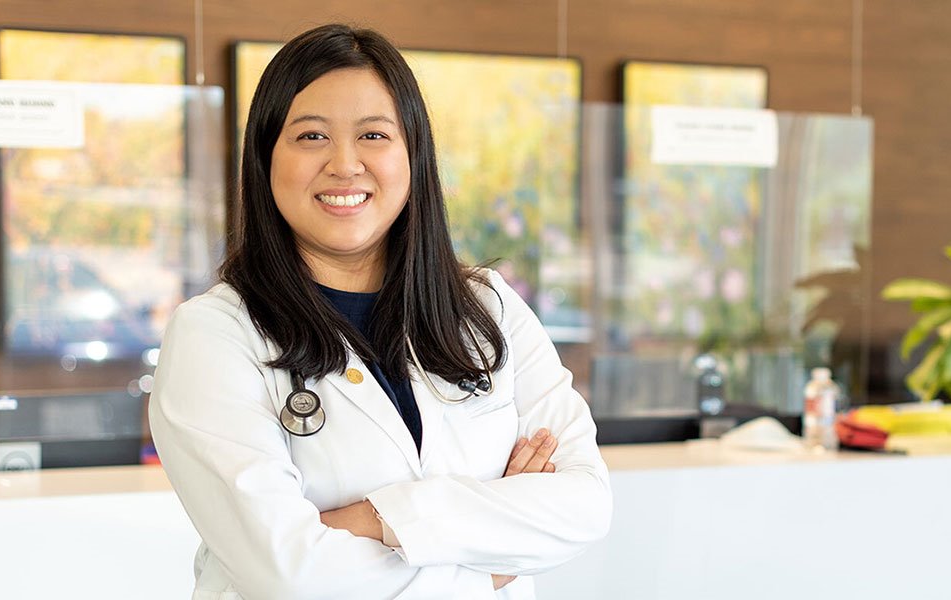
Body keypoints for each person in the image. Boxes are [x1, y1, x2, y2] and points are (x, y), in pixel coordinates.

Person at [148, 24, 611, 599]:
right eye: (312, 136)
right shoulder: (214, 336)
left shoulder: (489, 309)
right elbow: (290, 575)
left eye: (374, 134)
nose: (345, 164)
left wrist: (374, 517)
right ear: (266, 160)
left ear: (413, 155)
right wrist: (490, 566)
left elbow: (586, 505)